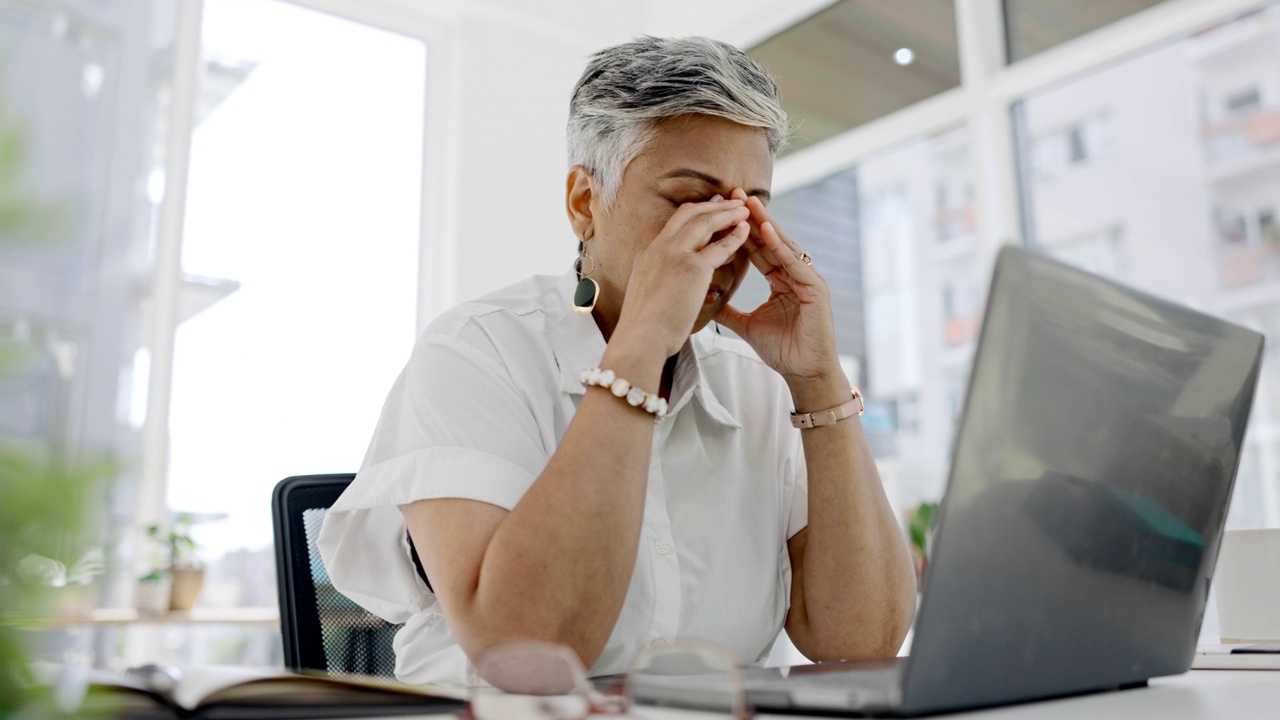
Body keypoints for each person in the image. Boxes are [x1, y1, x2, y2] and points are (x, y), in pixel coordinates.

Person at [318, 35, 916, 687]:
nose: (727, 240)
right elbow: (530, 652)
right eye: (690, 200)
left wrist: (818, 379)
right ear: (584, 204)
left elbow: (862, 639)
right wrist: (640, 347)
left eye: (750, 209)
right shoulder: (475, 352)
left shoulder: (757, 384)